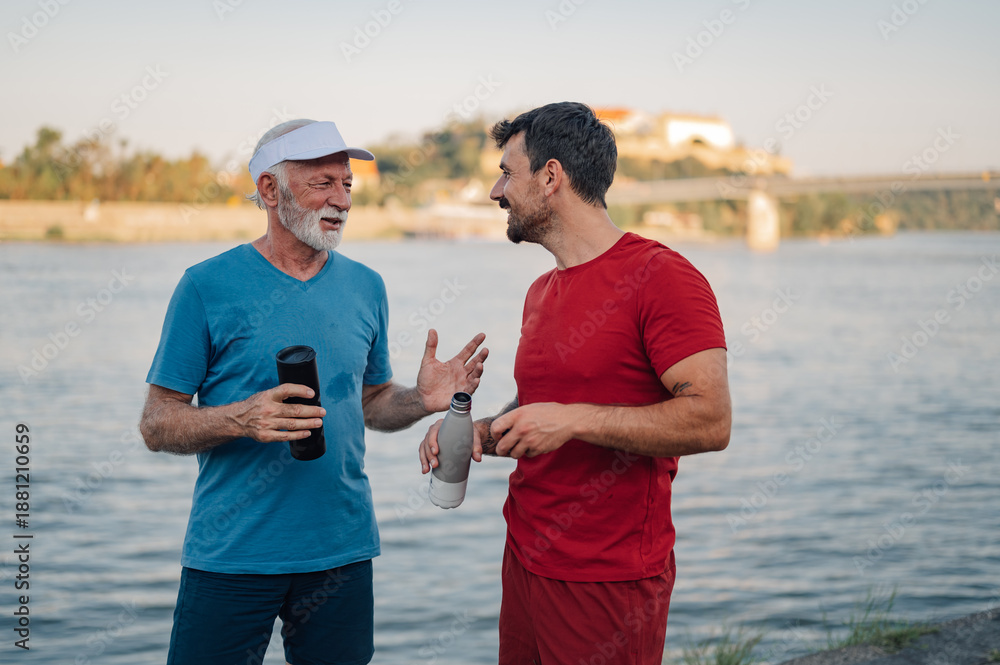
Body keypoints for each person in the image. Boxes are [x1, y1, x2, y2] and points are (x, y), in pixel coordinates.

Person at [140, 118, 488, 665]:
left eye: (347, 184)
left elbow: (371, 402)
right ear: (270, 190)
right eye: (322, 182)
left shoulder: (366, 285)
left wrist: (420, 401)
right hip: (232, 555)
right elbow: (157, 423)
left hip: (341, 552)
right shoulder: (205, 286)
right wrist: (239, 420)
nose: (342, 199)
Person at [418, 102, 731, 665]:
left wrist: (575, 421)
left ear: (551, 176)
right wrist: (479, 432)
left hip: (608, 580)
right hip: (525, 560)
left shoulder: (663, 277)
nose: (495, 192)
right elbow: (542, 410)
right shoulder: (541, 291)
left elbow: (711, 419)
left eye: (507, 174)